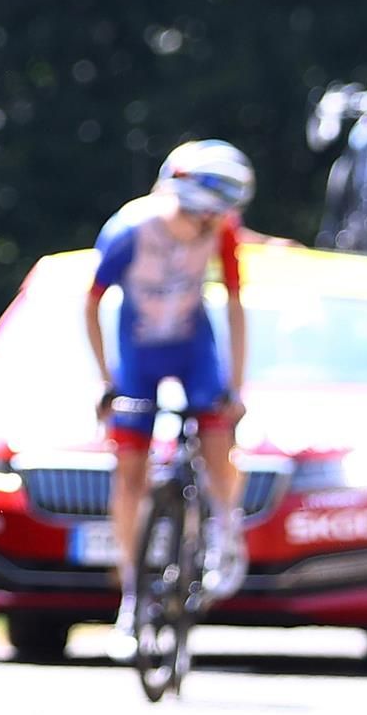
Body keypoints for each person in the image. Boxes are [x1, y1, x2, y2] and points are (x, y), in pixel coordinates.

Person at [84, 141, 259, 658]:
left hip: (192, 346)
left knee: (218, 430)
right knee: (131, 470)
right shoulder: (129, 231)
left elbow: (234, 301)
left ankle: (227, 527)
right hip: (139, 351)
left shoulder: (222, 234)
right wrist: (104, 380)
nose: (208, 226)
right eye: (202, 214)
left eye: (216, 217)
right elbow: (91, 303)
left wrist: (237, 386)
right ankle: (132, 597)